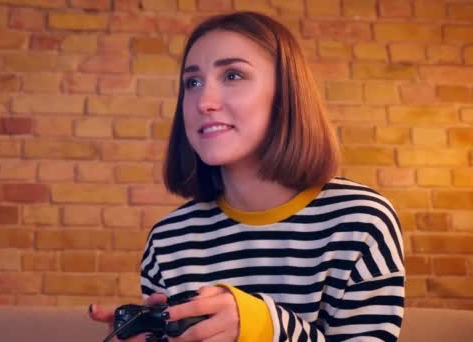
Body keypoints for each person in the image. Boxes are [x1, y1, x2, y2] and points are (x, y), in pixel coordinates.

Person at [90, 11, 405, 342]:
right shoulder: (167, 241)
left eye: (233, 75)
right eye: (192, 82)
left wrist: (262, 326)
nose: (203, 102)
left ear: (285, 95)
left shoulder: (361, 220)